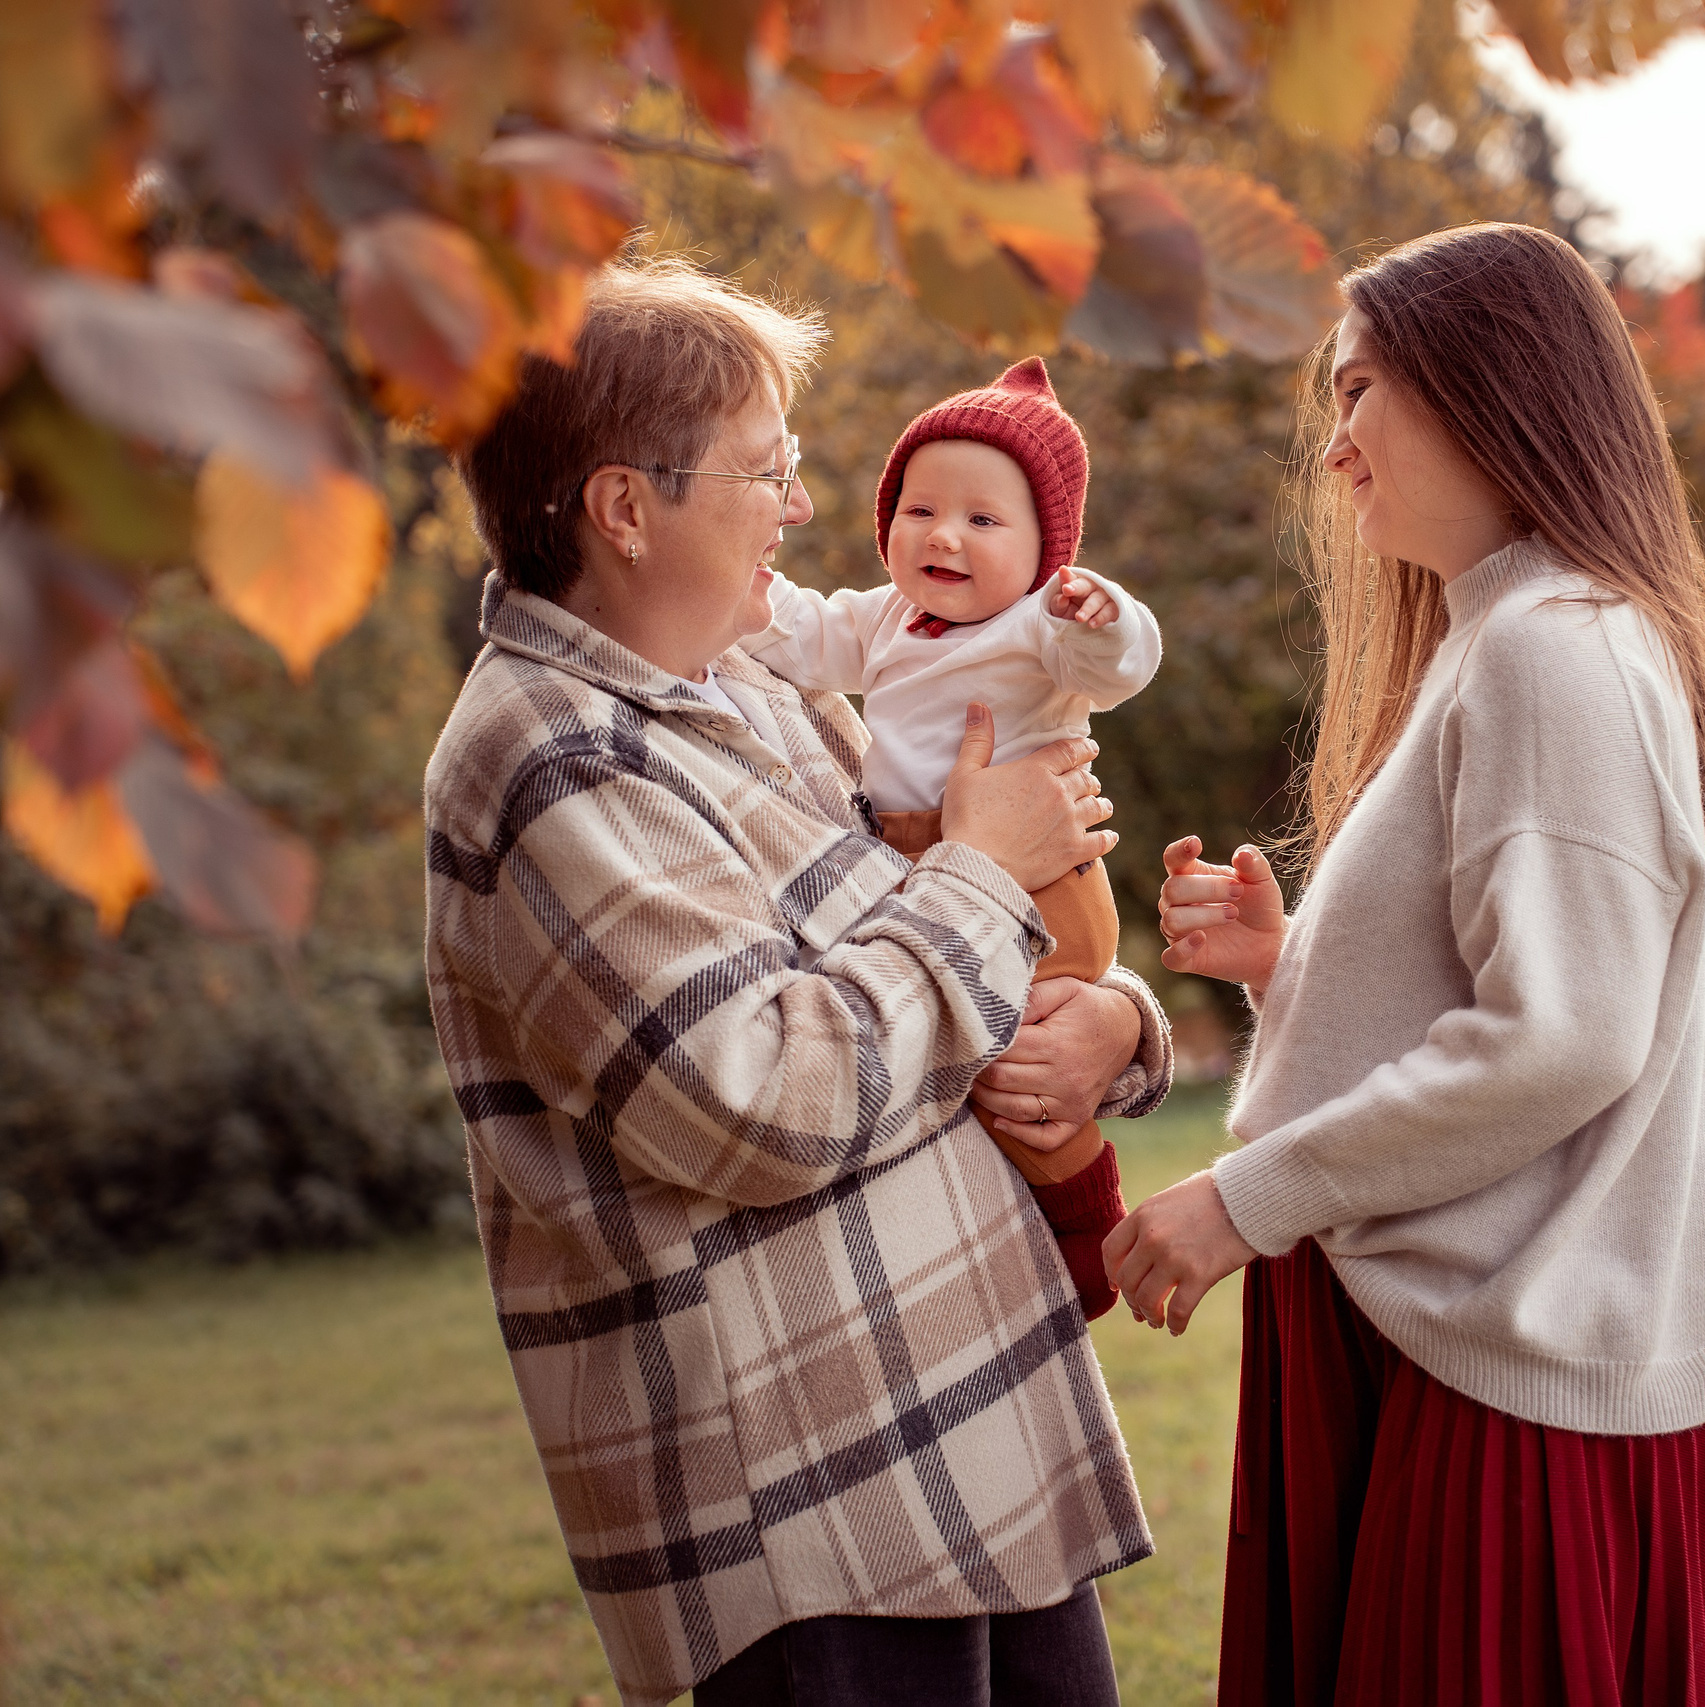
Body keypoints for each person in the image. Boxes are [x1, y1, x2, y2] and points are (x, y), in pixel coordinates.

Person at [425, 255, 1170, 1707]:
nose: (807, 506)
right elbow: (762, 1101)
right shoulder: (555, 760)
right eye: (767, 470)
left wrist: (1119, 1023)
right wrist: (981, 869)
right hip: (812, 1506)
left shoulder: (749, 679)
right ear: (627, 508)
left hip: (972, 1430)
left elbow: (947, 949)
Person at [1104, 222, 1705, 1703]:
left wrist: (1244, 1195)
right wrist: (1298, 975)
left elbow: (1567, 1039)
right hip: (1447, 1355)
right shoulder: (1504, 634)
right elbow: (1507, 1003)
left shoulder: (1557, 644)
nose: (1335, 446)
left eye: (1360, 393)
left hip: (1506, 1394)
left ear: (1491, 386)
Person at [742, 357, 1162, 1313]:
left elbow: (1120, 665)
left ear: (1045, 551)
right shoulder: (887, 617)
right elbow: (801, 631)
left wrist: (1105, 616)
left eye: (983, 520)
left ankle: (1088, 1219)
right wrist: (740, 597)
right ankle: (1028, 1223)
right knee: (969, 1060)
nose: (944, 536)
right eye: (920, 509)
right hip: (924, 862)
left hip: (1040, 878)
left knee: (1019, 1066)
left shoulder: (1037, 629)